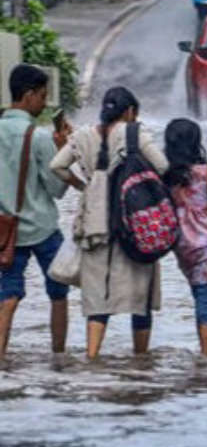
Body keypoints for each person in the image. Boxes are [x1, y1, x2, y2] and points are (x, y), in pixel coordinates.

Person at [51, 87, 169, 361]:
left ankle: (92, 358)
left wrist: (84, 185)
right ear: (129, 112)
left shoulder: (81, 136)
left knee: (97, 296)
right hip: (133, 219)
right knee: (140, 299)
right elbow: (162, 166)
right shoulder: (134, 134)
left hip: (94, 220)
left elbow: (57, 165)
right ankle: (141, 361)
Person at [0, 65, 78, 363]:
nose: (44, 103)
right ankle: (58, 358)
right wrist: (62, 150)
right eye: (42, 96)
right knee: (58, 294)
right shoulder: (40, 137)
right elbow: (57, 189)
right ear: (29, 94)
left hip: (6, 232)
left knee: (7, 297)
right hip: (43, 229)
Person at [164, 119, 207, 357]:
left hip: (181, 246)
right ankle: (206, 355)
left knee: (196, 292)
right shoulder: (205, 172)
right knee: (205, 300)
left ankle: (204, 353)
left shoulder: (167, 174)